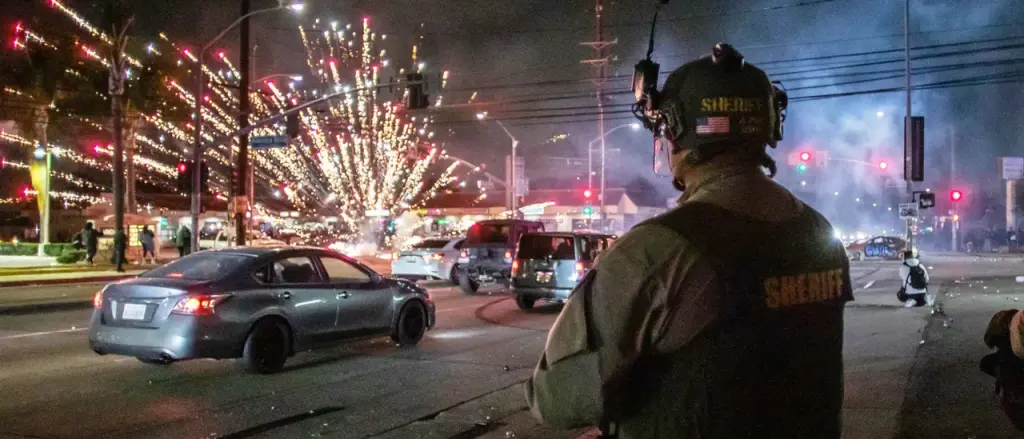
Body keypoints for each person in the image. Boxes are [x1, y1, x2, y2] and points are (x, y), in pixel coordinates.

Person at [525, 43, 853, 438]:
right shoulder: (819, 233)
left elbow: (557, 399)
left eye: (663, 130)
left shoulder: (658, 250)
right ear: (770, 126)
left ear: (676, 134)